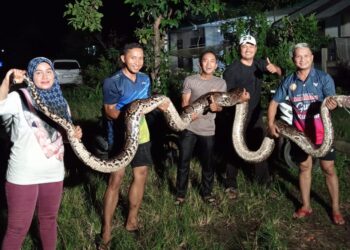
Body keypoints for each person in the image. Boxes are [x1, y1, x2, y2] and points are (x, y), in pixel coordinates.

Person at [0, 57, 82, 249]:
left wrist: (73, 134)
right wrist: (7, 80)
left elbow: (61, 136)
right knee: (17, 229)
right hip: (23, 175)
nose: (44, 76)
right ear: (31, 76)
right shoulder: (18, 97)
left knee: (49, 221)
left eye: (48, 71)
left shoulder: (61, 103)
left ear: (54, 75)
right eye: (38, 72)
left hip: (53, 172)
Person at [268, 42, 345, 225]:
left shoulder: (323, 78)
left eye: (306, 56)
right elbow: (273, 103)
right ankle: (306, 206)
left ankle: (335, 209)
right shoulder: (289, 81)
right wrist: (270, 124)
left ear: (311, 57)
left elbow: (331, 101)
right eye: (298, 56)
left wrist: (331, 105)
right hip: (300, 134)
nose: (302, 59)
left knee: (328, 169)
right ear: (294, 59)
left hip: (322, 133)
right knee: (304, 167)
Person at [99, 43, 162, 247]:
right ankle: (106, 230)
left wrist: (160, 104)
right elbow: (109, 110)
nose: (137, 62)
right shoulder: (112, 82)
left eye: (141, 58)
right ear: (123, 58)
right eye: (133, 57)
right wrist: (129, 117)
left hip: (142, 134)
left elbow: (146, 104)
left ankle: (131, 222)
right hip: (119, 135)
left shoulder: (145, 79)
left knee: (141, 175)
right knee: (116, 179)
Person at [219, 34, 282, 199]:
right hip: (236, 116)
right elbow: (227, 98)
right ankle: (231, 184)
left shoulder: (260, 64)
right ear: (240, 49)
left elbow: (279, 71)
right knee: (234, 148)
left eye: (251, 46)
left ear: (255, 49)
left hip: (255, 114)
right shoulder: (231, 71)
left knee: (259, 146)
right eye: (244, 46)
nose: (248, 49)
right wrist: (239, 98)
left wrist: (275, 69)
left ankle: (264, 183)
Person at [175, 50, 228, 205]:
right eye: (205, 61)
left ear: (216, 65)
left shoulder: (221, 83)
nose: (209, 64)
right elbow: (184, 103)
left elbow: (221, 108)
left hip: (208, 129)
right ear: (200, 63)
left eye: (212, 61)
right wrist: (190, 111)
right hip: (189, 127)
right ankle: (180, 195)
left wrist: (214, 107)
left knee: (208, 163)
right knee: (184, 161)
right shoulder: (190, 80)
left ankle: (207, 193)